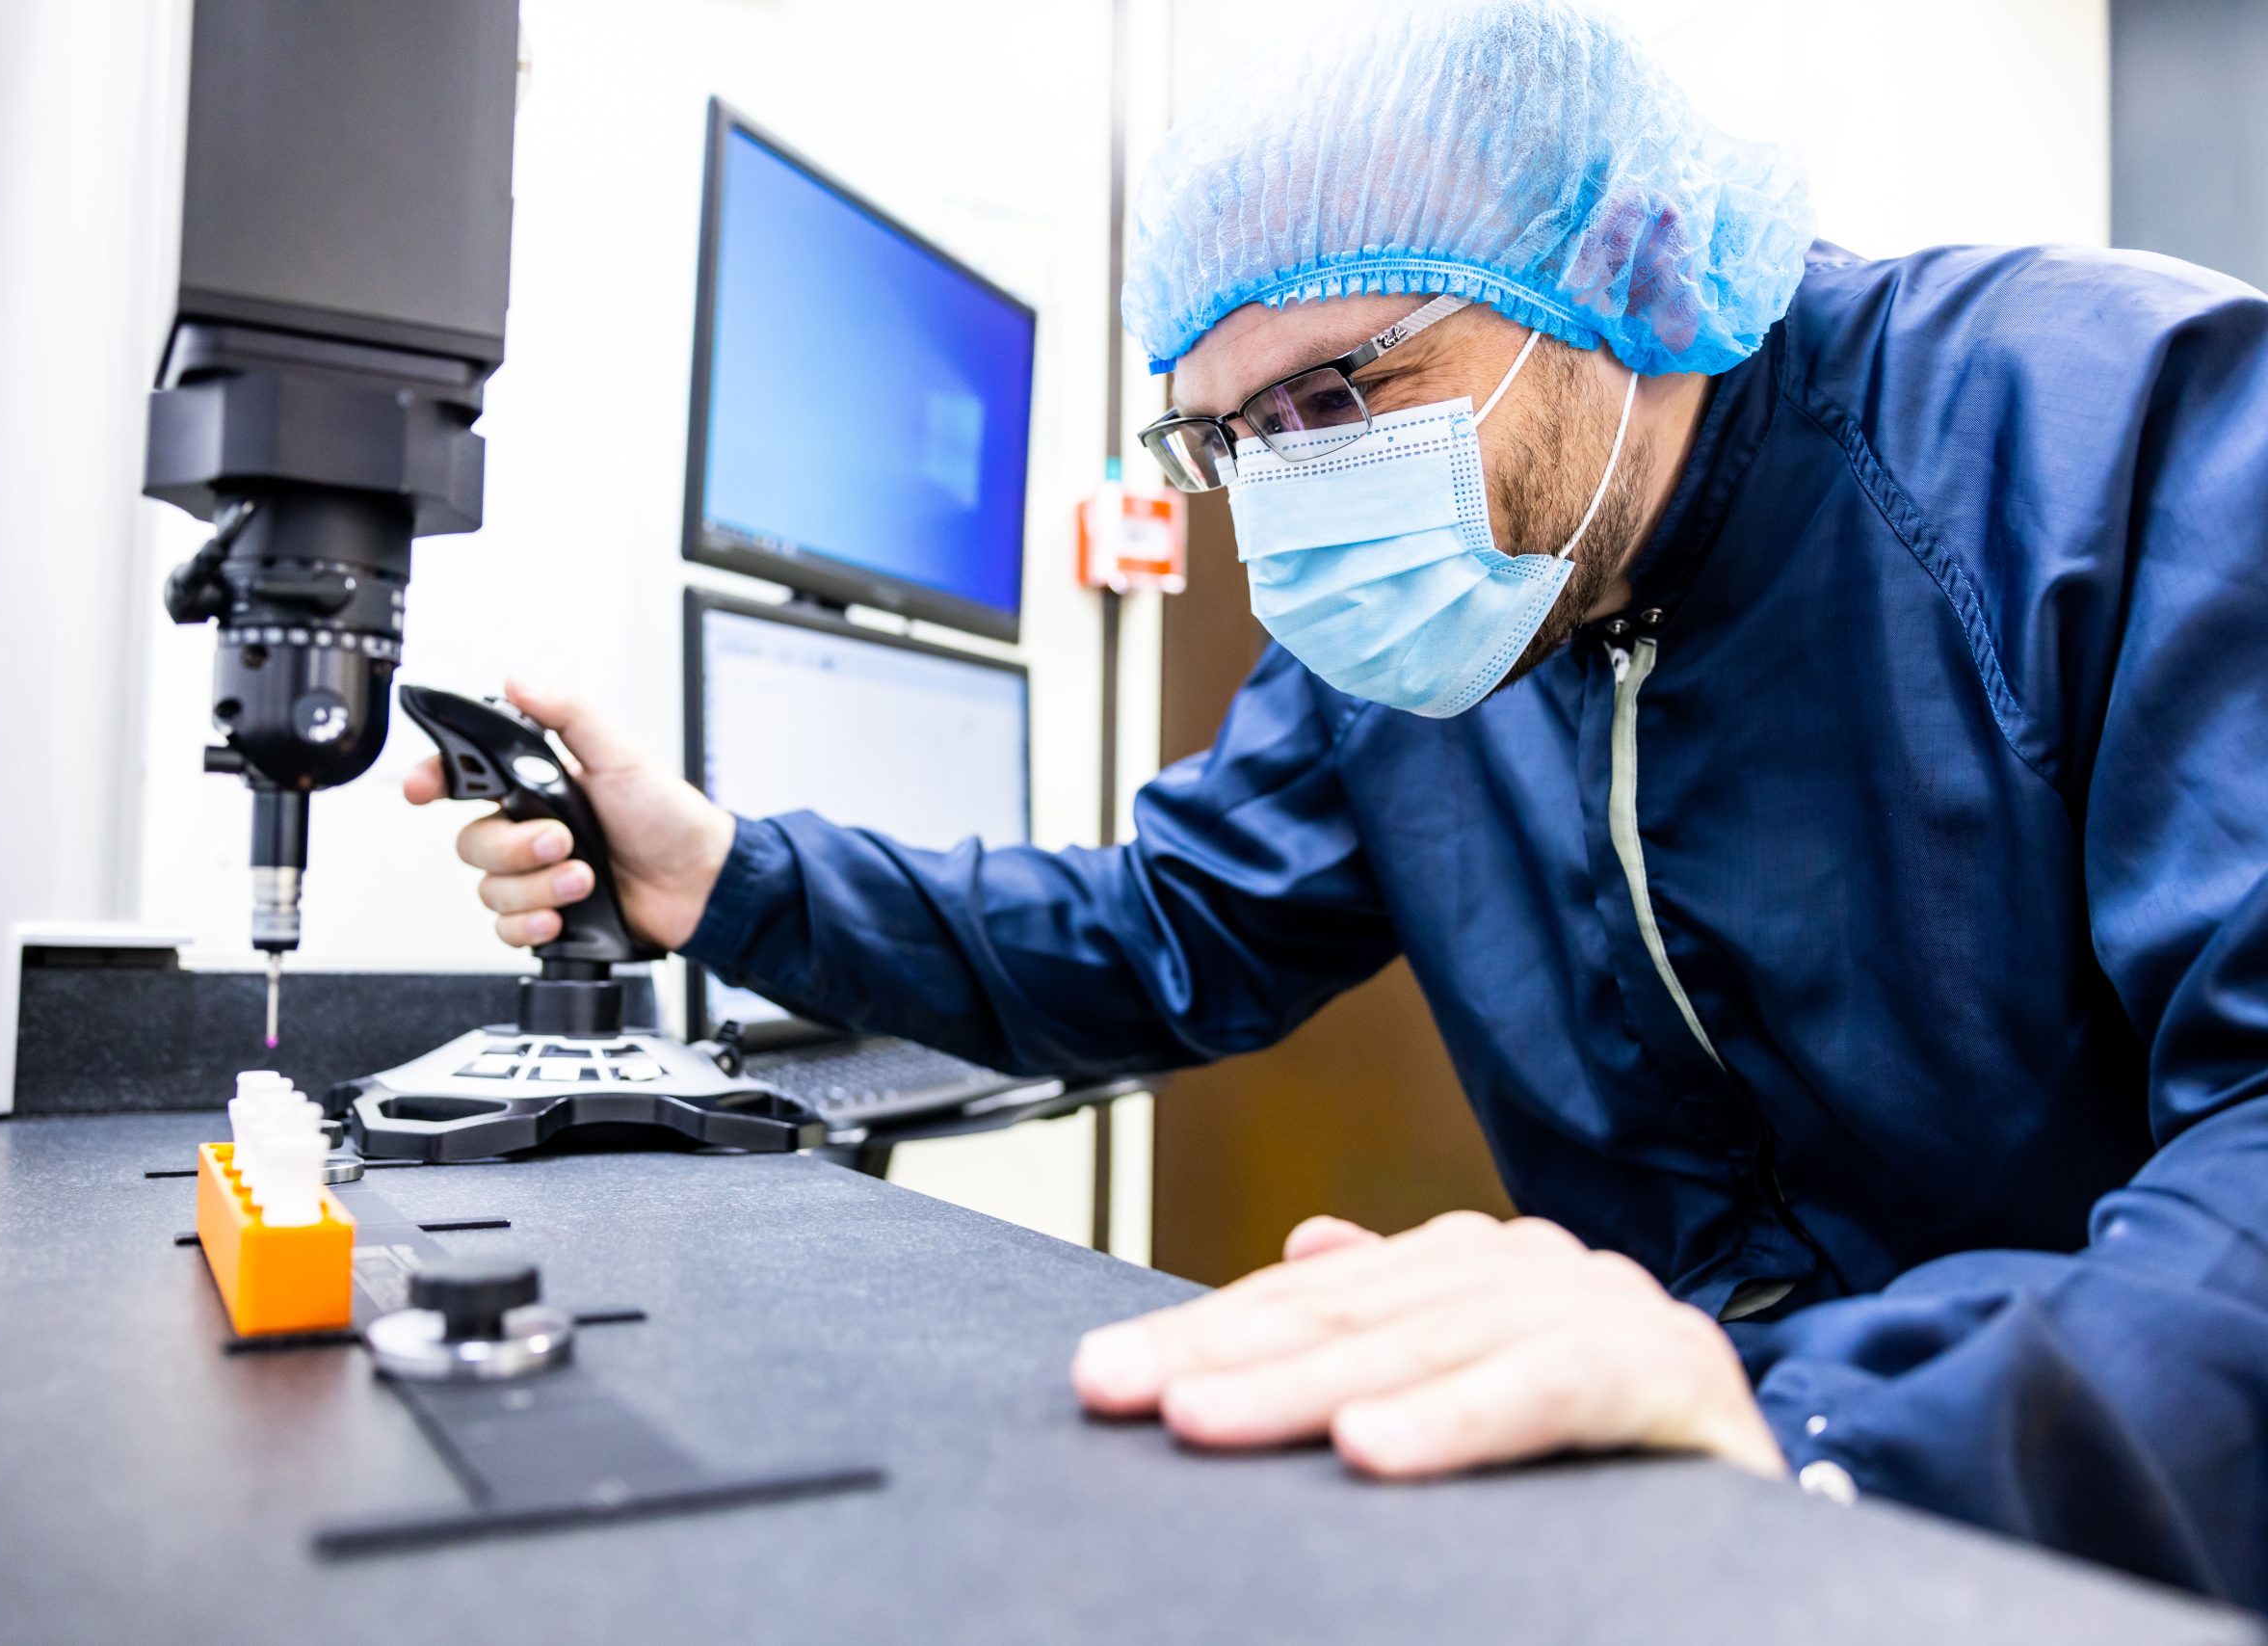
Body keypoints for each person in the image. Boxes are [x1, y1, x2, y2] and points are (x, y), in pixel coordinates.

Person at [407, 0, 2268, 1607]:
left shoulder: (2105, 439)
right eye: (1233, 442)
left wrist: (1831, 1424)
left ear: (1612, 271)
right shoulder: (1440, 636)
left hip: (2081, 1535)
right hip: (1673, 1523)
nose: (1294, 495)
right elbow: (1168, 928)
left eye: (1339, 396)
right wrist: (723, 877)